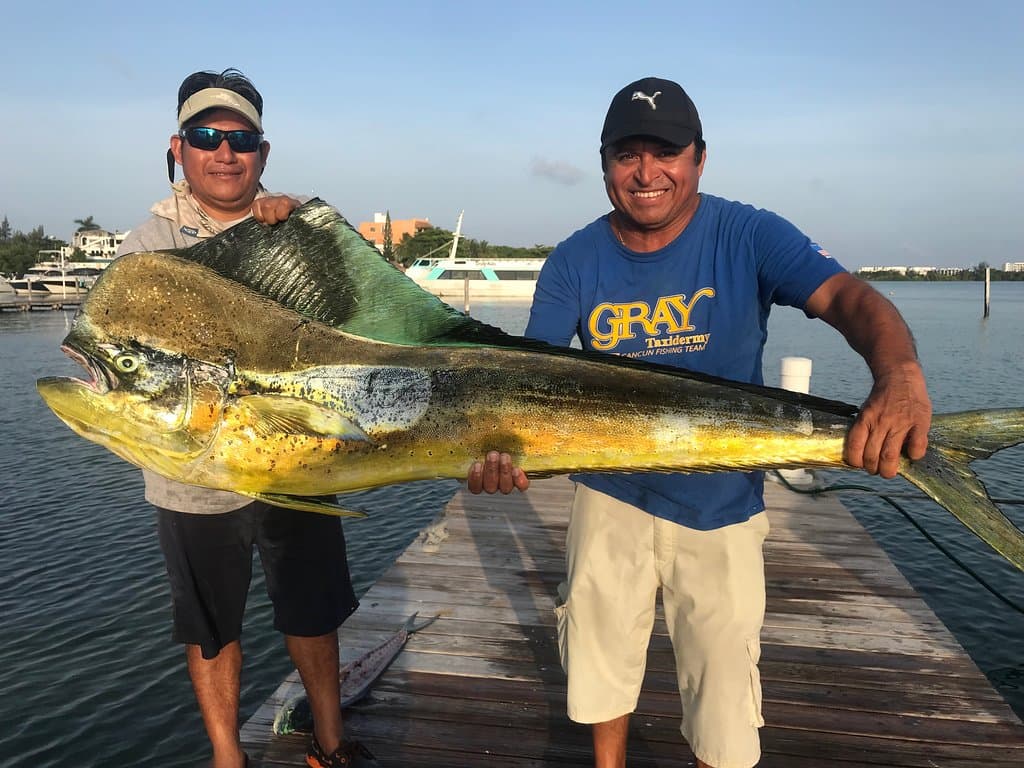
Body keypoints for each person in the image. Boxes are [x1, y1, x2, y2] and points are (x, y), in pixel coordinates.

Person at [468, 76, 932, 768]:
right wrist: (499, 449)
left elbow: (847, 297)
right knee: (599, 669)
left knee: (723, 698)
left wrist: (898, 375)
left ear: (700, 160)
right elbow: (534, 377)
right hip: (609, 497)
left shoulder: (749, 233)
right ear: (603, 164)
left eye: (667, 152)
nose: (647, 172)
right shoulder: (572, 260)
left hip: (722, 509)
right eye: (628, 154)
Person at [116, 69, 375, 768]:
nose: (224, 153)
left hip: (297, 460)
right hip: (192, 478)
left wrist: (306, 236)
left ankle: (330, 739)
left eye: (240, 139)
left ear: (262, 151)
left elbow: (357, 322)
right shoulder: (147, 247)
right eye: (207, 137)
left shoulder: (300, 226)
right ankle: (228, 757)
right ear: (179, 147)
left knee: (313, 613)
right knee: (210, 630)